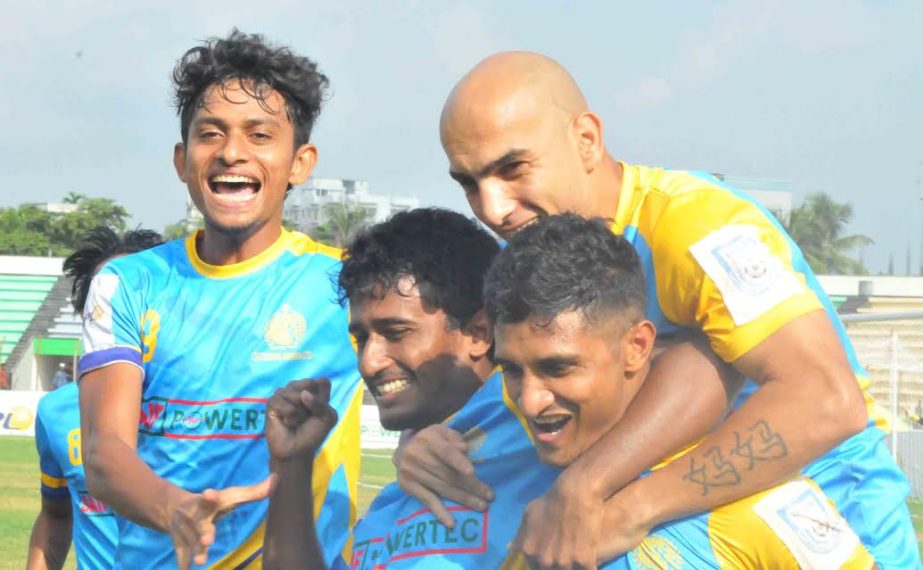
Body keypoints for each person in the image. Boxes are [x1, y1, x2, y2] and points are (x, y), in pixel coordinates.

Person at [397, 51, 917, 567]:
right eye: (468, 183)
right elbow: (530, 388)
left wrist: (615, 506)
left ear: (587, 140)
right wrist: (421, 440)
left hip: (831, 530)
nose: (493, 208)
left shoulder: (695, 225)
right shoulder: (527, 262)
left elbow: (825, 400)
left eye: (513, 168)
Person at [262, 213, 875, 569]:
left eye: (557, 368)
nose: (531, 400)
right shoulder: (409, 493)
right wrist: (291, 470)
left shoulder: (740, 503)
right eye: (515, 371)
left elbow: (709, 358)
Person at [77, 30, 362, 569]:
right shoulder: (129, 283)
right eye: (212, 134)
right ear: (183, 159)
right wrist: (174, 508)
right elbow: (103, 452)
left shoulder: (347, 284)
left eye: (260, 135)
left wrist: (428, 446)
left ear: (300, 162)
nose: (232, 152)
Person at [27, 226, 163, 570]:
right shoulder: (57, 411)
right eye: (104, 298)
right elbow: (56, 515)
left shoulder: (215, 403)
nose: (122, 307)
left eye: (137, 292)